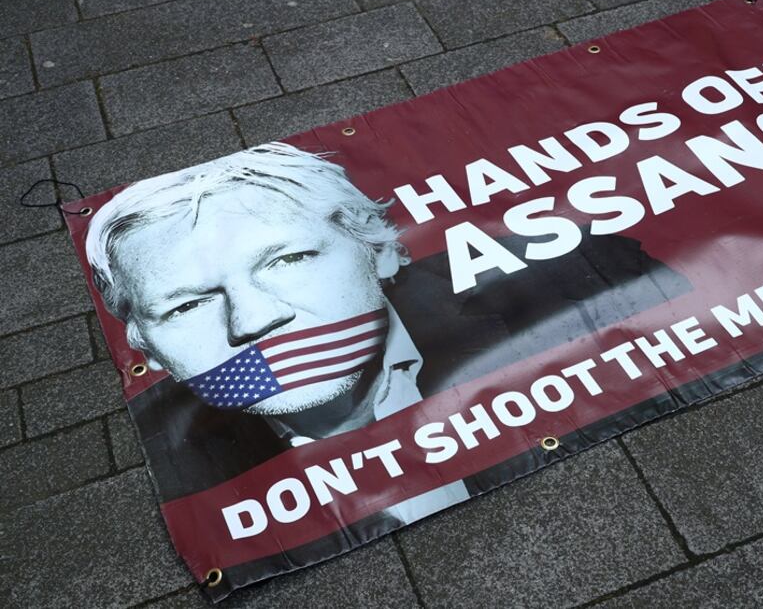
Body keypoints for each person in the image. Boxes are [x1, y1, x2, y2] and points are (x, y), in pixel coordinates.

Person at [85, 142, 693, 502]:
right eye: (187, 304)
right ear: (146, 346)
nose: (254, 320)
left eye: (289, 260)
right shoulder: (194, 480)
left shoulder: (590, 273)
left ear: (379, 250)